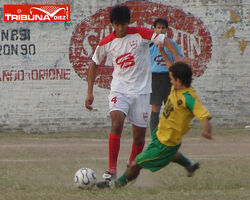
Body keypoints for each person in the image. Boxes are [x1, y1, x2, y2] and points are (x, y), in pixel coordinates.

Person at [85, 5, 186, 181]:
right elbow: (94, 63)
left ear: (128, 22)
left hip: (141, 91)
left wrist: (177, 58)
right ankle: (111, 170)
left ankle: (131, 167)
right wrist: (89, 93)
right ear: (112, 24)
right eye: (117, 25)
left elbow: (164, 39)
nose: (121, 28)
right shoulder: (106, 42)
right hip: (119, 89)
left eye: (124, 24)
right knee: (117, 122)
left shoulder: (140, 34)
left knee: (139, 139)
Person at [96, 62, 213, 189]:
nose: (170, 81)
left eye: (172, 79)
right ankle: (189, 165)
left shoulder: (188, 98)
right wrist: (162, 49)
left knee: (136, 164)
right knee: (171, 155)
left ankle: (114, 185)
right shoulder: (177, 88)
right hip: (160, 136)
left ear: (178, 80)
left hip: (166, 143)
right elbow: (170, 66)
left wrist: (207, 130)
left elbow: (203, 115)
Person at [150, 18, 184, 132]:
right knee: (155, 108)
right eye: (158, 27)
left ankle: (169, 139)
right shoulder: (149, 45)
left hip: (169, 78)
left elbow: (178, 61)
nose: (160, 30)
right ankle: (155, 138)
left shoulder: (172, 44)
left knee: (171, 108)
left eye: (163, 28)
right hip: (154, 78)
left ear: (167, 30)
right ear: (154, 29)